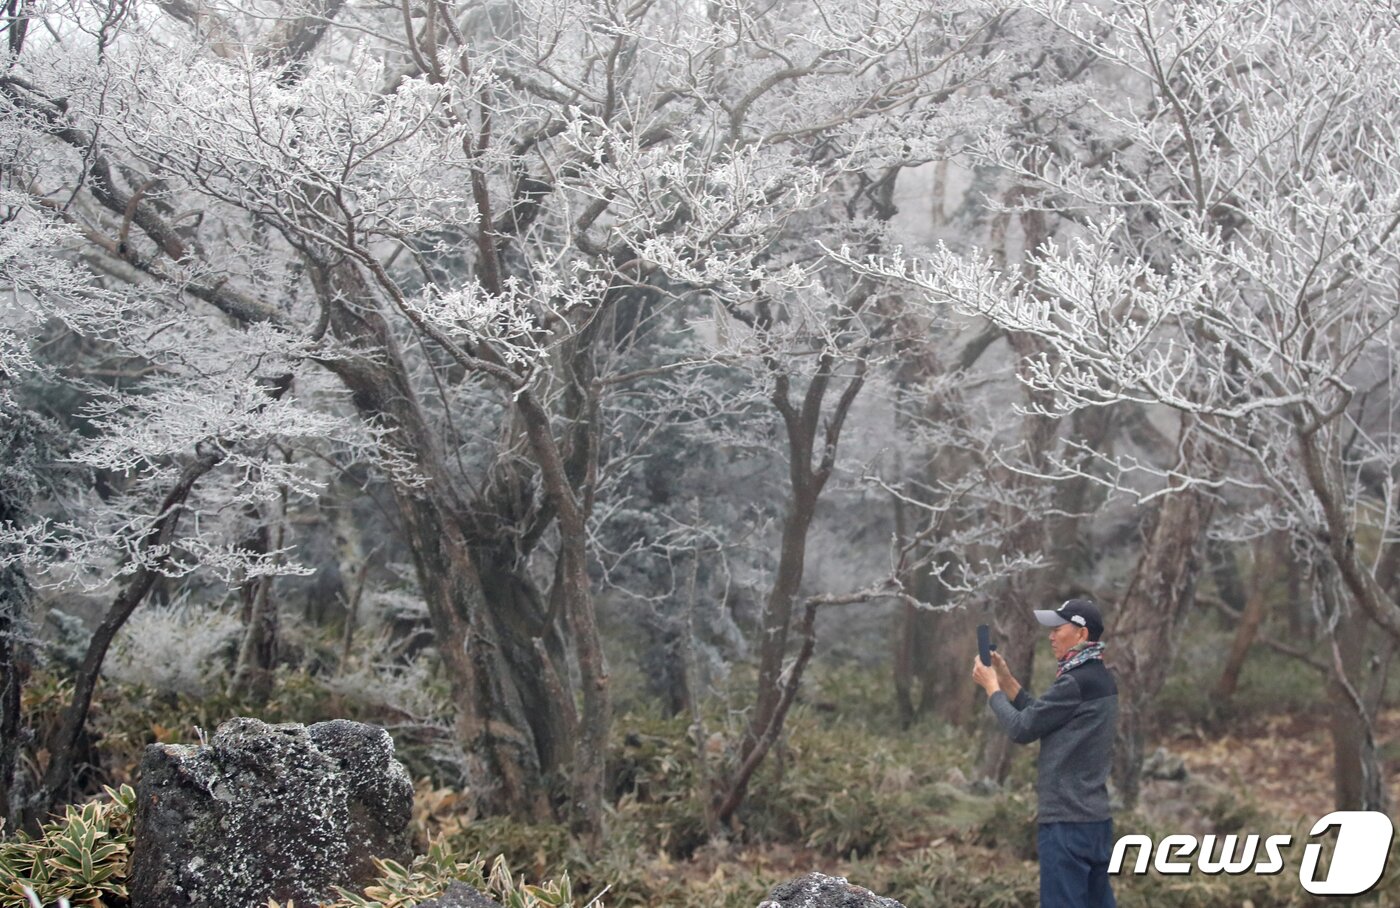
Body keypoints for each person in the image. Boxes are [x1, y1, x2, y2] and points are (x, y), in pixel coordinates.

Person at [971, 598, 1119, 908]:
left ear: (1081, 633)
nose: (1050, 636)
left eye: (1058, 628)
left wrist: (992, 689)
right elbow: (1044, 717)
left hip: (1066, 824)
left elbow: (1022, 729)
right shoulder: (1098, 678)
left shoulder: (1074, 682)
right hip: (1096, 822)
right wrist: (1008, 681)